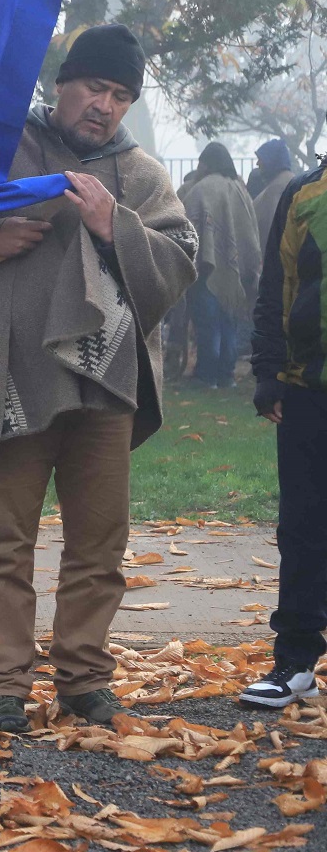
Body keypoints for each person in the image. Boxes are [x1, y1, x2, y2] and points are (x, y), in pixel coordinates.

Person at [0, 24, 197, 733]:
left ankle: (85, 682)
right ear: (62, 84)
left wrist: (116, 226)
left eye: (121, 95)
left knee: (99, 544)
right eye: (94, 87)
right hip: (9, 383)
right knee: (6, 542)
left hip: (105, 386)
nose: (105, 106)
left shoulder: (141, 173)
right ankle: (3, 688)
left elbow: (182, 255)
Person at [241, 158, 327, 706]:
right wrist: (268, 372)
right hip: (307, 387)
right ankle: (295, 661)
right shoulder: (303, 193)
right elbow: (274, 286)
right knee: (302, 526)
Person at [184, 142, 262, 389]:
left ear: (205, 163)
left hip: (205, 268)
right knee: (229, 322)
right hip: (233, 271)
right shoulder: (240, 189)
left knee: (207, 325)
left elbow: (186, 229)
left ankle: (206, 376)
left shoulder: (201, 189)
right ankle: (226, 376)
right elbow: (250, 234)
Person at [251, 139, 296, 251]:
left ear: (270, 161)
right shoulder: (290, 181)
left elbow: (270, 232)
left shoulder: (277, 189)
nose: (257, 163)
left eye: (260, 159)